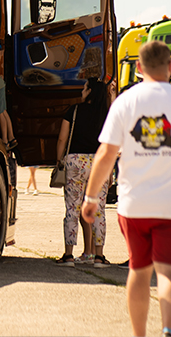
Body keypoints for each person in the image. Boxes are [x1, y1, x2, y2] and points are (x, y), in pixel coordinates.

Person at [82, 41, 171, 337]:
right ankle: (168, 329)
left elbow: (106, 154)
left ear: (139, 68)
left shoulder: (125, 102)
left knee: (139, 272)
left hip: (135, 205)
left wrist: (91, 196)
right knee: (169, 271)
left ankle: (139, 333)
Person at [55, 78, 111, 268]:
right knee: (99, 210)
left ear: (90, 92)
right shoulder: (106, 115)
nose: (82, 91)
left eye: (84, 88)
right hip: (99, 163)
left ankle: (68, 255)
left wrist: (59, 160)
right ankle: (99, 257)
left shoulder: (74, 110)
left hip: (75, 162)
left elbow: (62, 139)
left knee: (72, 208)